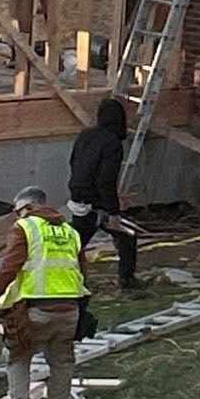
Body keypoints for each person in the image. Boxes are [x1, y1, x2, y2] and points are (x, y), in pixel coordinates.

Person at [0, 186, 94, 399]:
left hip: (35, 309)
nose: (17, 217)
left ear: (29, 207)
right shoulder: (69, 231)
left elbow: (9, 268)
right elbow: (83, 272)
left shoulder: (26, 228)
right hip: (69, 309)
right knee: (62, 360)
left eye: (18, 211)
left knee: (18, 355)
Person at [67, 96, 139, 288]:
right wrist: (113, 211)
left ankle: (70, 277)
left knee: (75, 242)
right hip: (96, 204)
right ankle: (127, 280)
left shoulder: (85, 136)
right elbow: (106, 180)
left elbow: (73, 163)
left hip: (78, 196)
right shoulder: (112, 143)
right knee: (127, 236)